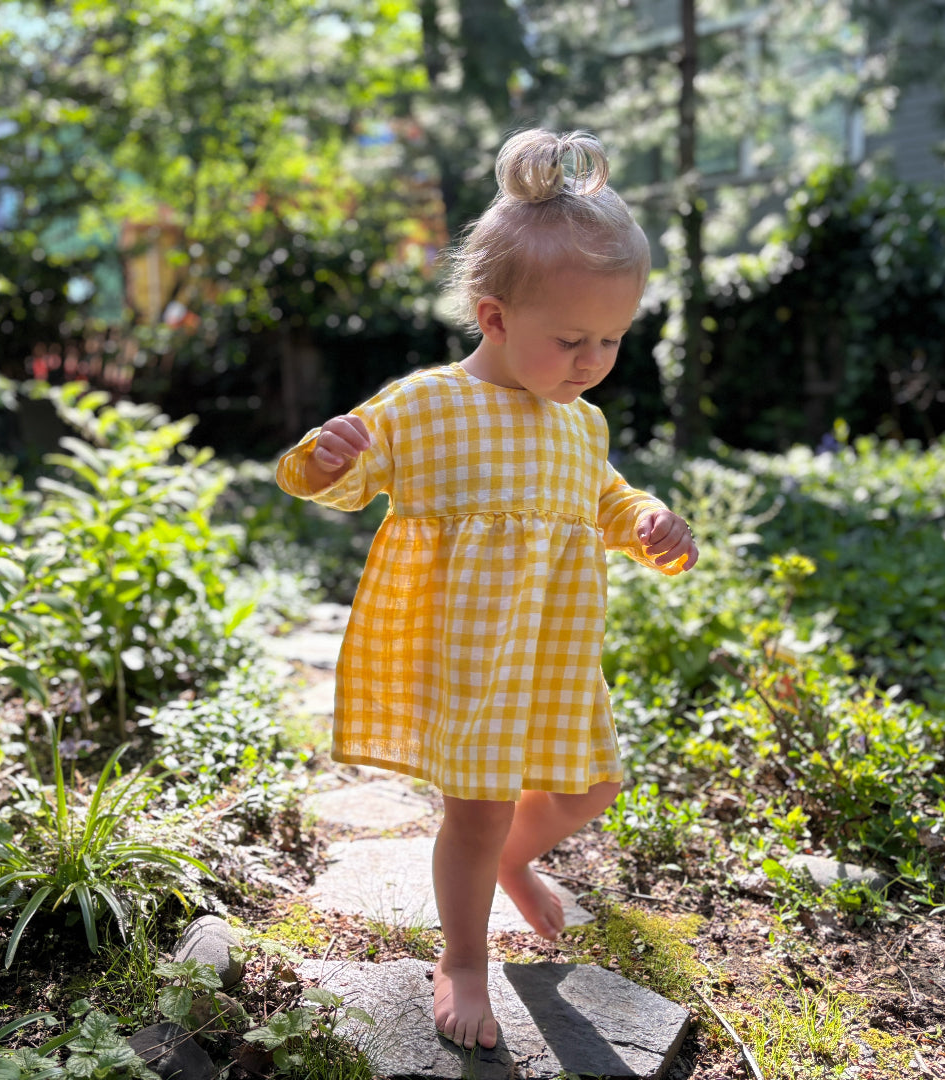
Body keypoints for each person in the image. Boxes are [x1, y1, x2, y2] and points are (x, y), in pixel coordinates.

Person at [274, 128, 699, 1053]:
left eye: (613, 340)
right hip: (466, 650)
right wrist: (325, 455)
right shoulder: (429, 404)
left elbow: (607, 500)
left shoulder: (579, 423)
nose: (592, 360)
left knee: (590, 786)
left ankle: (513, 863)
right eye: (572, 339)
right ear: (494, 317)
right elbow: (344, 473)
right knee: (476, 805)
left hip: (550, 649)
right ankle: (463, 957)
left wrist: (651, 524)